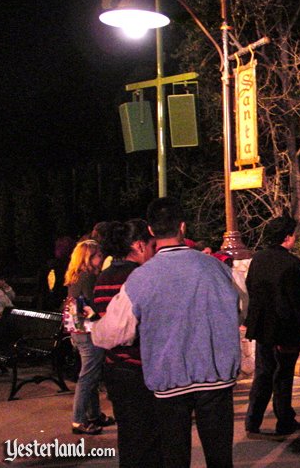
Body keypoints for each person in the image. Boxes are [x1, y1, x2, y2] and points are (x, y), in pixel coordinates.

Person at [91, 197, 241, 468]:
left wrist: (92, 330)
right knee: (220, 458)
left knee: (174, 457)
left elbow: (112, 332)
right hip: (216, 377)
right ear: (183, 226)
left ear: (150, 230)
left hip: (169, 381)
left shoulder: (141, 278)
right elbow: (240, 307)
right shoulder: (217, 268)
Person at [89, 219, 160, 467]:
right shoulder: (139, 278)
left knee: (129, 436)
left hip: (114, 366)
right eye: (153, 247)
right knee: (150, 439)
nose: (155, 253)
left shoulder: (103, 277)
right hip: (140, 366)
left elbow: (101, 316)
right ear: (140, 246)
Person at [244, 215, 300, 435]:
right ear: (287, 237)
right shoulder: (292, 263)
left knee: (263, 373)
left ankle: (253, 420)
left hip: (263, 326)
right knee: (283, 376)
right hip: (285, 328)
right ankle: (284, 420)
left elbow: (250, 287)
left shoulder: (258, 259)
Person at [64, 239, 114, 435]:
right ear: (89, 257)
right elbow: (93, 305)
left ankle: (94, 414)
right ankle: (78, 420)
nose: (101, 259)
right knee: (88, 376)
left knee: (91, 375)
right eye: (98, 255)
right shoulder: (89, 277)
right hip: (89, 331)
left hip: (77, 330)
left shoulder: (76, 276)